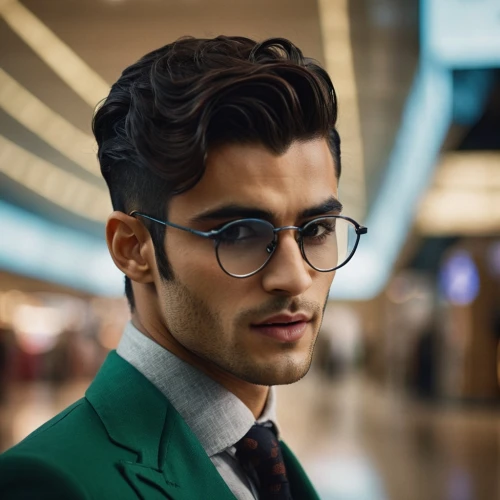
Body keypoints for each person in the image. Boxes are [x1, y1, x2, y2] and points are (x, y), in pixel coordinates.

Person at [0, 35, 367, 499]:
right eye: (239, 234)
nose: (294, 277)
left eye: (316, 228)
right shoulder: (48, 484)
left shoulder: (262, 454)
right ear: (134, 248)